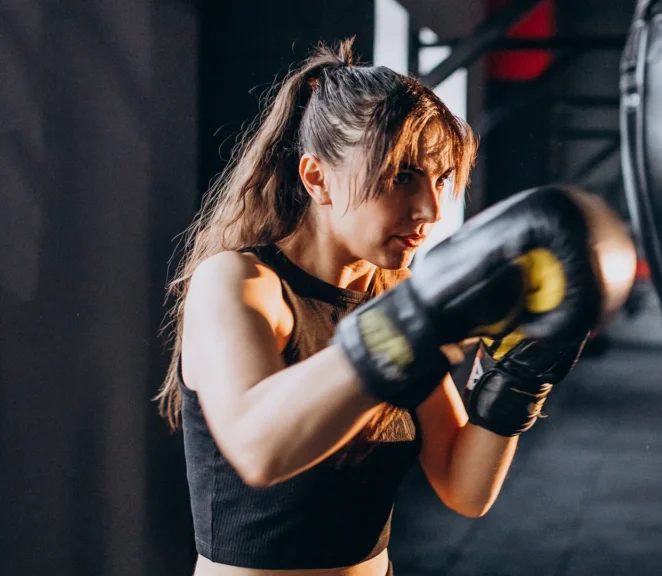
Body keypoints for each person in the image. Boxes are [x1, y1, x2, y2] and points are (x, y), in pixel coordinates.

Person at [156, 40, 633, 576]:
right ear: (316, 179)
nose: (429, 208)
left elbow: (464, 488)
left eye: (440, 179)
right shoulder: (241, 283)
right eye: (401, 175)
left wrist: (518, 378)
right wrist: (416, 323)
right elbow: (258, 447)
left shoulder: (395, 295)